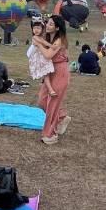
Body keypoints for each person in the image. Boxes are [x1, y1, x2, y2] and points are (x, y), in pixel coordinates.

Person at [35, 15, 71, 145]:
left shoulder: (60, 40)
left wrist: (38, 44)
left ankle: (50, 134)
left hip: (60, 72)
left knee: (52, 104)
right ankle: (61, 117)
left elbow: (48, 55)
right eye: (47, 23)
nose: (48, 26)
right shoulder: (48, 38)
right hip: (49, 72)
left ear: (57, 27)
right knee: (42, 101)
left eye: (51, 24)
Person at [27, 20, 55, 95]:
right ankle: (50, 89)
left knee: (46, 73)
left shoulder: (40, 37)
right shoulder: (35, 37)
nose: (36, 30)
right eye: (34, 28)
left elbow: (44, 42)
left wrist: (51, 46)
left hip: (41, 56)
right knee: (46, 74)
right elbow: (43, 42)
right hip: (37, 58)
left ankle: (49, 88)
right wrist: (51, 46)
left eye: (38, 28)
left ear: (42, 30)